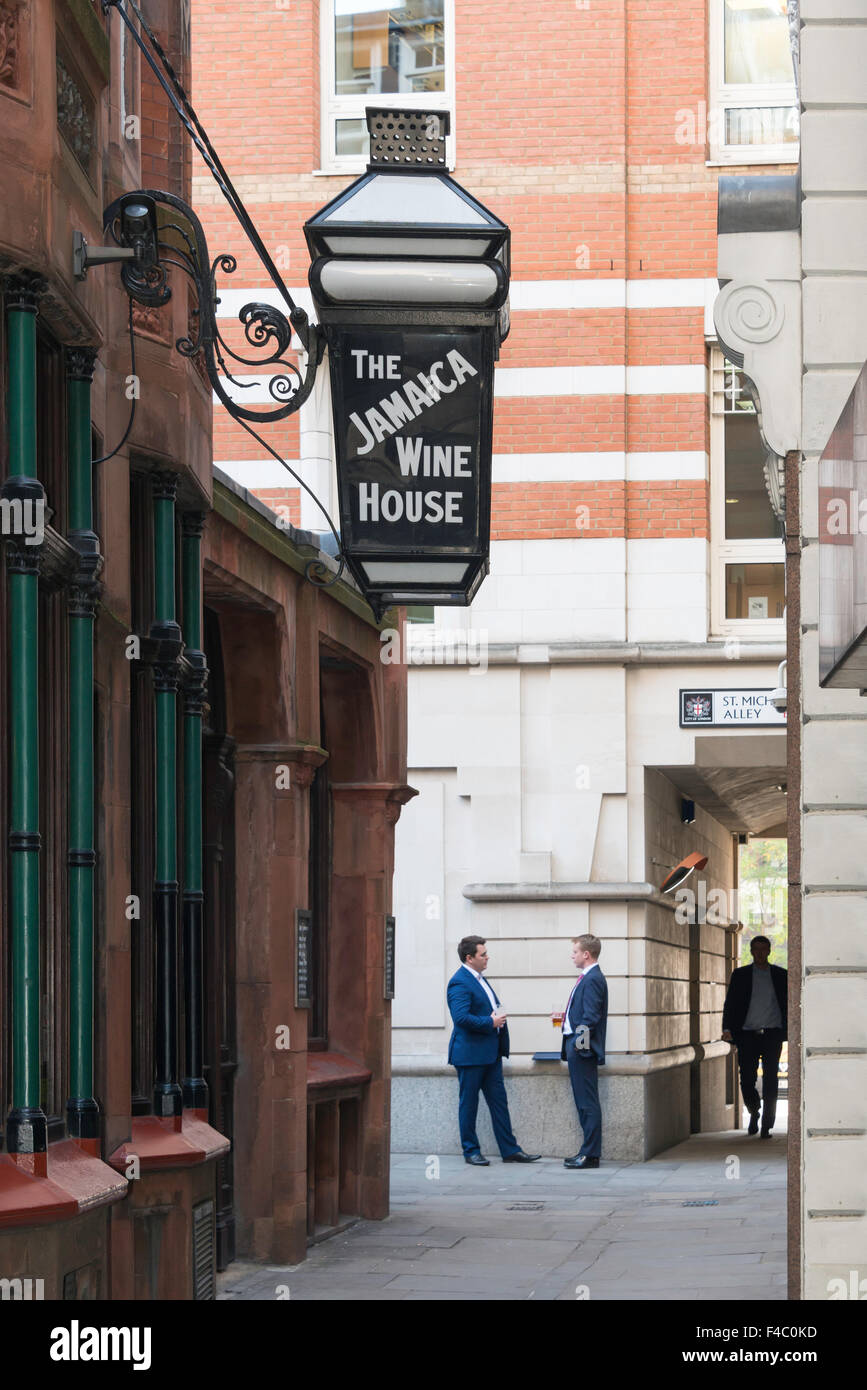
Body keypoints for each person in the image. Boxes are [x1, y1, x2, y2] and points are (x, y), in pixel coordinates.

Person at [446, 936, 541, 1166]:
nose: (488, 957)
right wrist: (491, 1023)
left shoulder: (480, 980)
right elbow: (460, 1018)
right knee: (469, 1104)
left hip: (490, 1054)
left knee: (499, 1103)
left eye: (486, 953)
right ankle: (471, 1151)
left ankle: (510, 1150)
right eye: (483, 954)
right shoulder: (459, 982)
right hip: (470, 1056)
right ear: (469, 958)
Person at [722, 935, 787, 1139]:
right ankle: (754, 1110)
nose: (760, 953)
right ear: (751, 952)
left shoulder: (781, 975)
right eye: (756, 949)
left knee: (770, 1080)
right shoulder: (740, 975)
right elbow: (730, 1003)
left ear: (769, 951)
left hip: (772, 1034)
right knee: (747, 1079)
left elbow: (789, 1003)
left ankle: (767, 1124)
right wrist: (726, 1028)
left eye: (764, 949)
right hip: (747, 1035)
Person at [559, 935, 608, 1170]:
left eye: (575, 951)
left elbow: (591, 1017)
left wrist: (578, 1047)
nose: (572, 955)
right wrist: (564, 1019)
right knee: (583, 1102)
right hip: (578, 1047)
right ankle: (586, 1152)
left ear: (586, 954)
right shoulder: (588, 978)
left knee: (587, 1103)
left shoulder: (593, 979)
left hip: (582, 1050)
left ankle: (590, 1155)